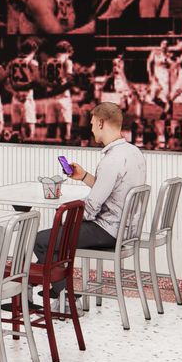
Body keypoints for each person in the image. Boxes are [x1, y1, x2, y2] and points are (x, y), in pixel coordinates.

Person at [35, 102, 147, 262]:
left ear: (101, 123)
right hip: (127, 229)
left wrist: (67, 220)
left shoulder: (111, 160)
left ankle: (57, 286)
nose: (92, 129)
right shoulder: (133, 152)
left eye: (93, 124)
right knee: (57, 236)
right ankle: (47, 284)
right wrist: (84, 176)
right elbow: (114, 191)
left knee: (42, 240)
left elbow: (91, 208)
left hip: (108, 230)